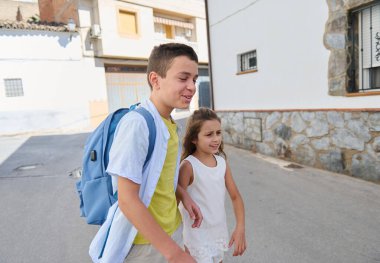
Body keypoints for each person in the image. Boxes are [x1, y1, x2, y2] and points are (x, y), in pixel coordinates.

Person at [89, 43, 203, 263]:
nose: (192, 86)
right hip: (145, 244)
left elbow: (160, 179)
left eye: (195, 79)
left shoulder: (169, 123)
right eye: (183, 78)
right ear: (155, 80)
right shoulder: (137, 124)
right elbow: (127, 200)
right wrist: (173, 253)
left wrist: (183, 194)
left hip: (172, 230)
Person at [178, 108, 247, 263]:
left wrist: (240, 226)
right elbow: (176, 199)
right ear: (194, 138)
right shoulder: (188, 166)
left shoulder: (221, 163)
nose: (216, 139)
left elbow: (235, 197)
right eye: (209, 134)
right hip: (195, 238)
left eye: (218, 133)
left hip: (217, 234)